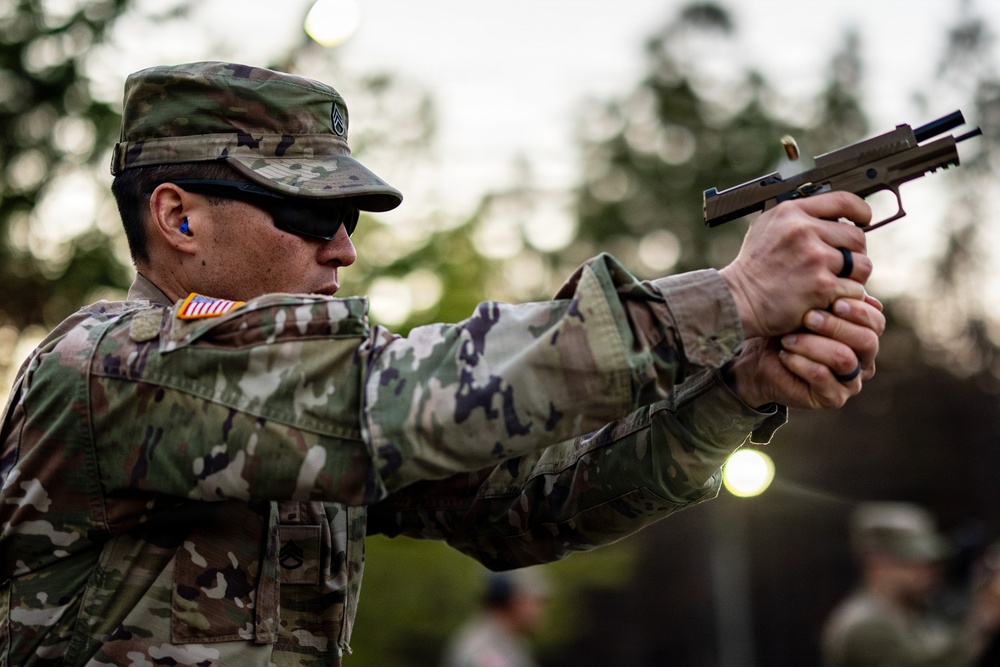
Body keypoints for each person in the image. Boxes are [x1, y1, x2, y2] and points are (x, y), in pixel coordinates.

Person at [0, 61, 884, 667]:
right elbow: (399, 398)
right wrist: (727, 298)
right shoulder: (106, 370)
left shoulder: (290, 406)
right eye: (310, 215)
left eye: (351, 219)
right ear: (178, 218)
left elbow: (530, 503)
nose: (342, 250)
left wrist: (734, 392)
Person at [822, 502, 1000, 667]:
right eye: (913, 562)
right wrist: (979, 624)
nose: (929, 572)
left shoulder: (907, 611)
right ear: (877, 564)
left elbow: (938, 650)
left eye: (931, 563)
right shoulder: (864, 626)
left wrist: (984, 612)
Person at [439, 569, 550, 667]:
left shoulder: (509, 641)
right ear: (514, 601)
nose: (541, 609)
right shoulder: (484, 649)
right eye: (536, 600)